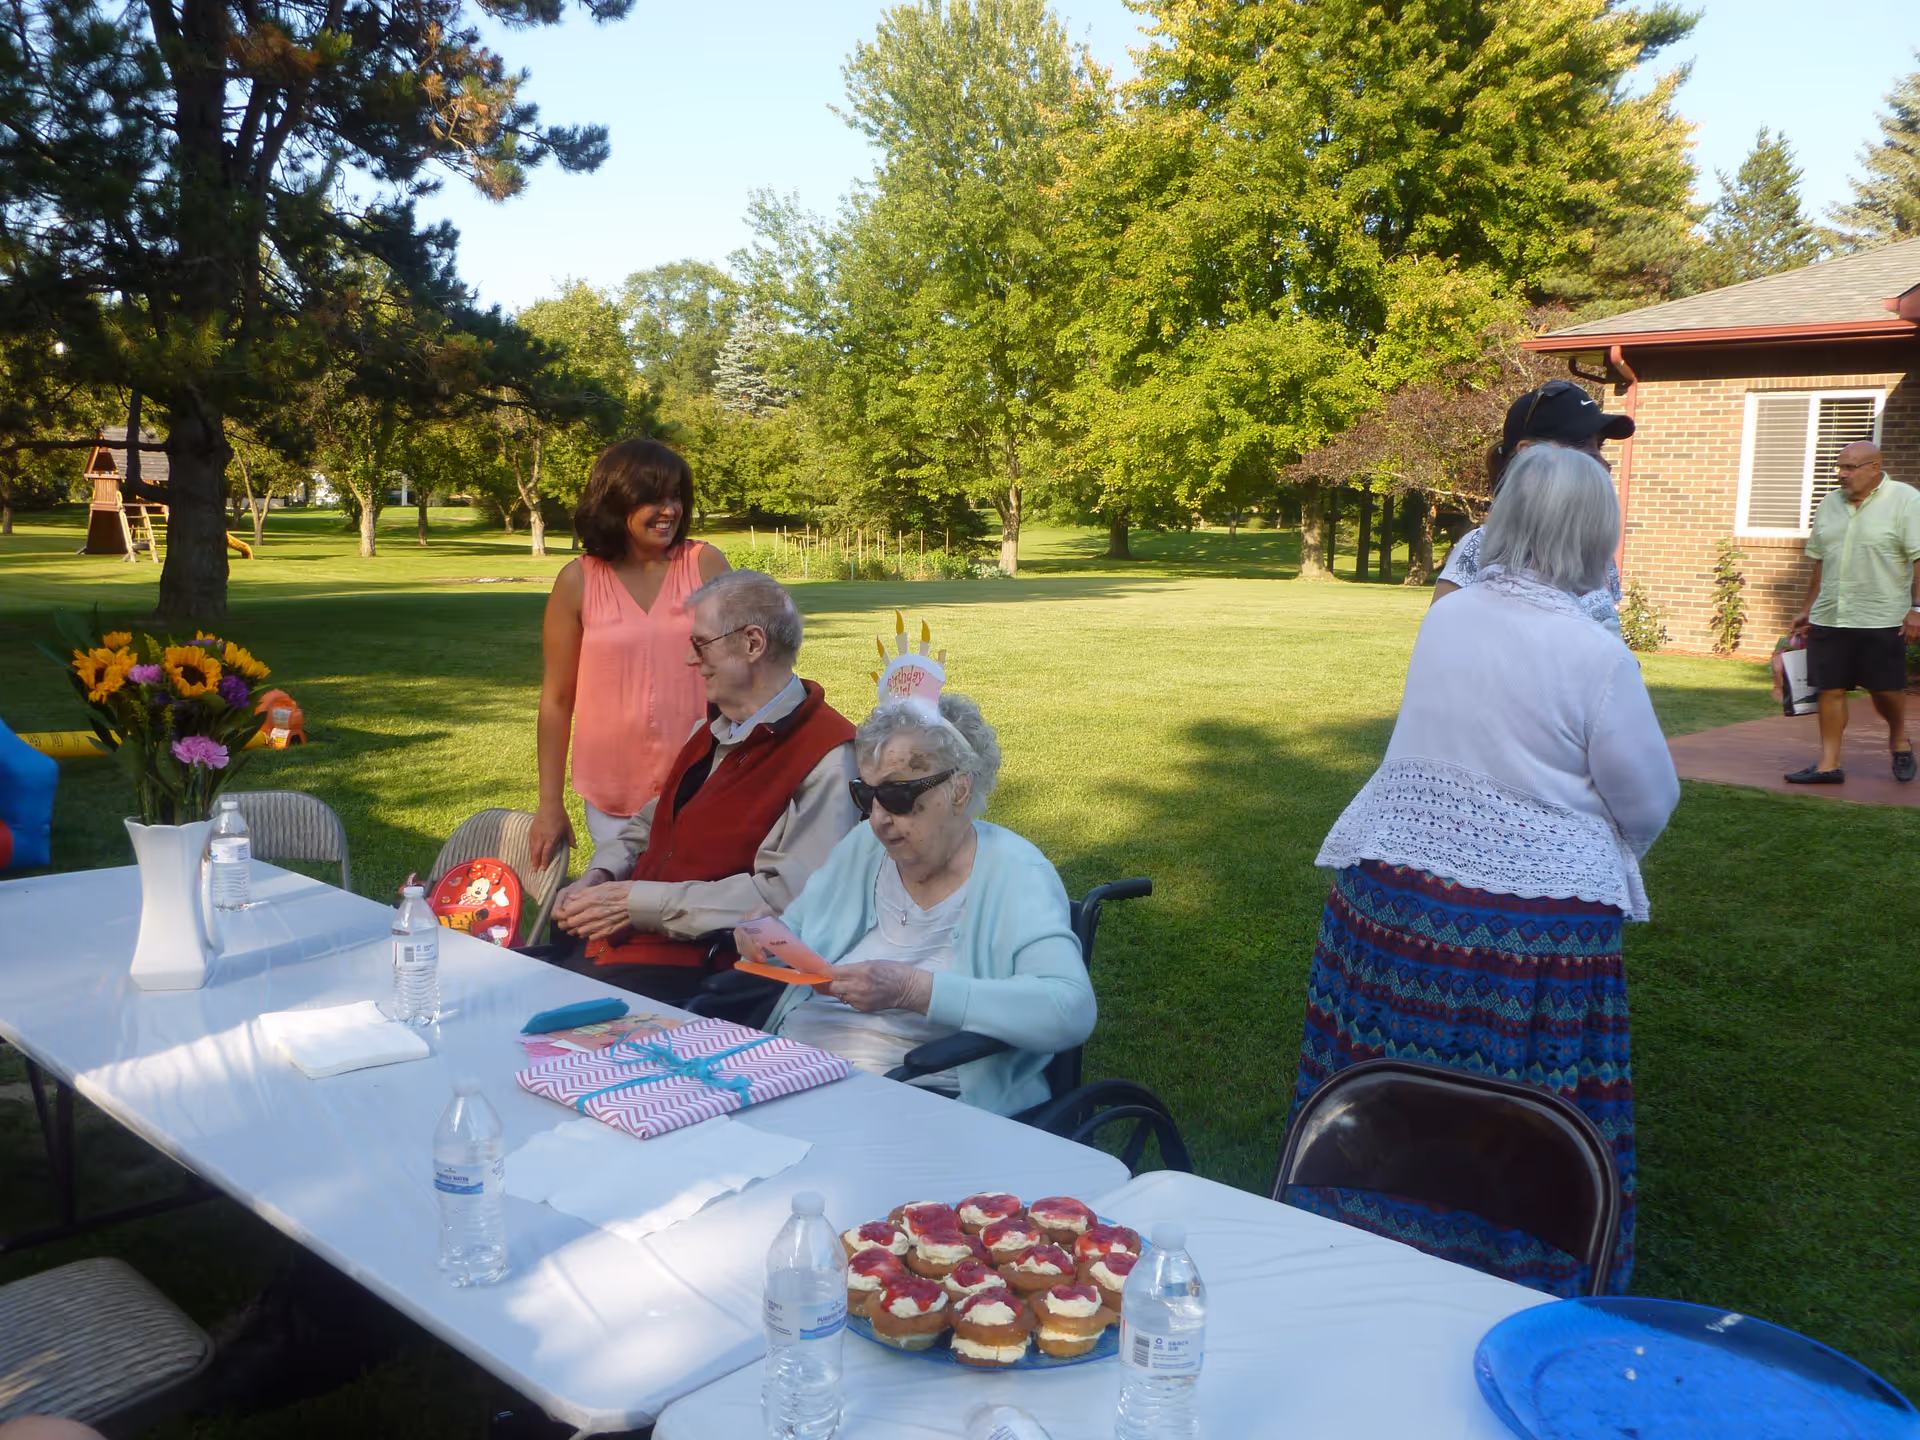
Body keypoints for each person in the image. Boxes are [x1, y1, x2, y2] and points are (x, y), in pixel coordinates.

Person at [1293, 444, 1679, 1297]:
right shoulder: (1595, 656)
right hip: (1526, 940)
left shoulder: (1450, 615)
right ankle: (1504, 1273)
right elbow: (1649, 800)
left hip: (1389, 901)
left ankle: (1360, 1245)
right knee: (1520, 1112)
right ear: (1594, 536)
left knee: (1389, 1091)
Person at [743, 692, 1096, 1117]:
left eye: (898, 796)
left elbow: (1069, 1009)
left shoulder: (1016, 873)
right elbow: (798, 938)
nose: (877, 819)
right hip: (789, 1071)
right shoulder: (863, 849)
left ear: (959, 790)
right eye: (866, 795)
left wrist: (914, 990)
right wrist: (770, 941)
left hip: (909, 1099)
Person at [550, 570, 860, 1001]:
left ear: (753, 644)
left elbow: (788, 895)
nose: (690, 661)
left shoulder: (829, 755)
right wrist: (601, 877)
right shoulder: (711, 729)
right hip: (626, 950)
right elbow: (650, 824)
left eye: (701, 645)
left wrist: (635, 902)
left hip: (703, 974)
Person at [529, 438, 730, 873]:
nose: (670, 510)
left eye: (676, 497)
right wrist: (549, 803)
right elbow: (557, 700)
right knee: (618, 916)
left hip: (702, 783)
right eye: (654, 498)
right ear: (617, 500)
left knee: (693, 917)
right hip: (612, 794)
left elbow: (748, 674)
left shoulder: (706, 564)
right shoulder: (576, 581)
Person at [1433, 378, 1634, 629]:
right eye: (1582, 444)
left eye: (1600, 446)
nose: (1601, 463)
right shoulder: (1481, 546)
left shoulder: (1598, 553)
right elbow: (1444, 638)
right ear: (1529, 454)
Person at [1784, 440, 1920, 785]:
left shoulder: (1906, 500)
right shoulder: (1829, 504)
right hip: (1831, 613)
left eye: (1850, 468)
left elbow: (1919, 559)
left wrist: (1916, 609)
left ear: (1874, 468)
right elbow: (1820, 561)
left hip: (1882, 615)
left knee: (1885, 690)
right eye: (1840, 467)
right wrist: (1807, 608)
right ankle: (1829, 764)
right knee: (1830, 688)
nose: (1841, 475)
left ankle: (1899, 738)